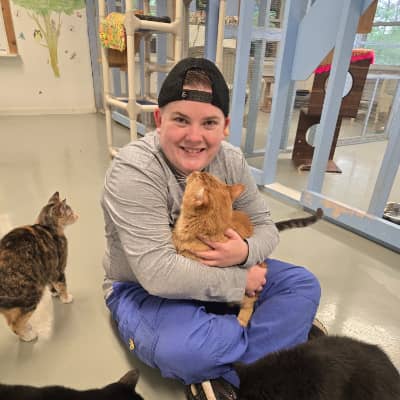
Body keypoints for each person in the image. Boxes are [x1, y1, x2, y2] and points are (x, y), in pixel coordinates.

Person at [101, 57, 324, 400]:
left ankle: (224, 372)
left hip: (221, 269)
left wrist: (245, 252)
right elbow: (157, 275)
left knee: (303, 284)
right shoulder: (134, 171)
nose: (194, 137)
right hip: (143, 288)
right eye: (180, 120)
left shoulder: (230, 160)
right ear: (159, 120)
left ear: (225, 126)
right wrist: (240, 282)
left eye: (209, 123)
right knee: (187, 349)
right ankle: (277, 346)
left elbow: (266, 228)